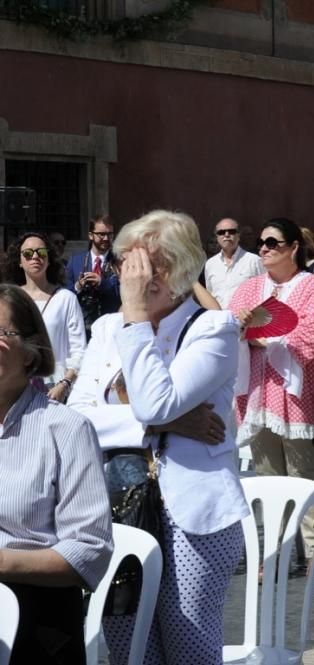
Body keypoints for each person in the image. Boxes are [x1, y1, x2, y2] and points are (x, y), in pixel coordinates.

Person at [67, 210, 250, 664]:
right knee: (128, 643)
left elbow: (153, 402)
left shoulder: (213, 329)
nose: (128, 276)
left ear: (172, 270)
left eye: (139, 266)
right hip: (118, 505)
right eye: (124, 265)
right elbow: (77, 419)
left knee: (187, 646)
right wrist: (167, 424)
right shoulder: (109, 328)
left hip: (194, 514)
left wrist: (133, 319)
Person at [0, 284, 112, 665]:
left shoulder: (65, 429)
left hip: (36, 620)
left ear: (31, 352)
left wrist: (1, 561)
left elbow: (90, 550)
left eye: (1, 333)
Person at [228, 217, 314, 585]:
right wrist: (241, 329)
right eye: (260, 242)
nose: (264, 248)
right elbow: (229, 329)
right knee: (268, 478)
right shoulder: (248, 289)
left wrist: (264, 340)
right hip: (257, 394)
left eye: (273, 243)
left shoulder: (313, 287)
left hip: (298, 394)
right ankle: (273, 553)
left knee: (303, 474)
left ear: (293, 248)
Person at [3, 232, 86, 402]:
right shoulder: (10, 300)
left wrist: (64, 384)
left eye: (41, 252)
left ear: (48, 258)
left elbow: (79, 351)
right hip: (17, 389)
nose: (35, 257)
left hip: (55, 390)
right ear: (19, 261)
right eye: (28, 253)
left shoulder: (66, 299)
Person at [65, 214, 121, 334]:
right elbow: (64, 294)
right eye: (101, 234)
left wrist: (102, 283)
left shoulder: (119, 261)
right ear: (91, 235)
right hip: (81, 327)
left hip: (110, 328)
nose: (106, 238)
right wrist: (78, 286)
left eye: (109, 234)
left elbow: (124, 294)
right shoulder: (75, 261)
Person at [203, 217, 265, 308]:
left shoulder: (254, 261)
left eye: (231, 231)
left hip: (246, 320)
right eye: (221, 232)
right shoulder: (210, 264)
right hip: (218, 320)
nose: (227, 235)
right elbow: (210, 295)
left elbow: (265, 292)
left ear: (238, 235)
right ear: (217, 237)